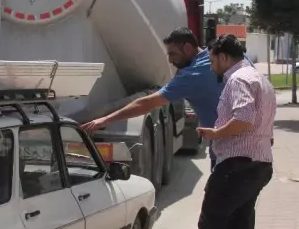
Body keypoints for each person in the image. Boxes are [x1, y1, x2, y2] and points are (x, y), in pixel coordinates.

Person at [183, 35, 276, 229]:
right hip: (259, 164)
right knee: (239, 226)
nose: (211, 66)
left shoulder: (237, 80)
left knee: (211, 225)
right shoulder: (261, 79)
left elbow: (244, 117)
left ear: (224, 57)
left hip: (236, 165)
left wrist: (215, 133)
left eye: (212, 60)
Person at [81, 27, 224, 170]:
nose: (170, 60)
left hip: (225, 150)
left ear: (187, 48)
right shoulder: (215, 59)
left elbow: (147, 103)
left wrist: (104, 120)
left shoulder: (192, 75)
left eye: (173, 54)